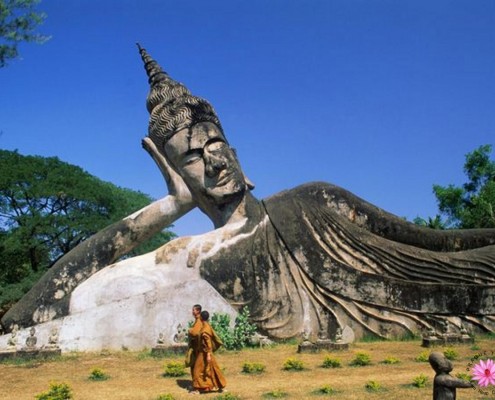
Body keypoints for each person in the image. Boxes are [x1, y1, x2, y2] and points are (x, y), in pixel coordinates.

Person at [2, 45, 495, 345]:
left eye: (216, 145)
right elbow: (30, 317)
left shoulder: (314, 199)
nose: (213, 161)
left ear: (235, 151)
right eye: (193, 157)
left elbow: (433, 242)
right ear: (175, 170)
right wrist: (172, 206)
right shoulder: (187, 255)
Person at [188, 309, 226, 394]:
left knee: (197, 371)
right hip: (205, 353)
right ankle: (220, 387)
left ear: (201, 317)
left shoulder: (205, 330)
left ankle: (197, 390)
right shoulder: (207, 326)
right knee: (213, 369)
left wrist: (208, 354)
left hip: (204, 353)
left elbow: (208, 342)